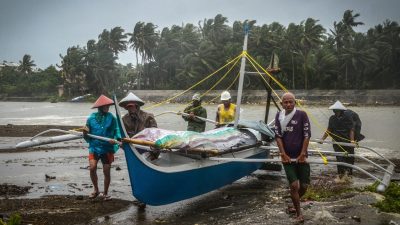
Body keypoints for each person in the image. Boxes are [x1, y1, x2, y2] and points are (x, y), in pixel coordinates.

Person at [274, 92, 311, 223]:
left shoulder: (302, 115)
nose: (288, 104)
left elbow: (307, 135)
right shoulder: (279, 116)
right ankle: (299, 213)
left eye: (291, 101)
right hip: (287, 158)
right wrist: (283, 154)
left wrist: (302, 154)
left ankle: (293, 203)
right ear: (281, 104)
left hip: (302, 157)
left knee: (304, 186)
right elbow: (278, 136)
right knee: (294, 186)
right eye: (286, 102)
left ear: (295, 103)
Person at [83, 94, 121, 201]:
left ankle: (105, 193)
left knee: (106, 170)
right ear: (99, 107)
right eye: (105, 106)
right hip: (94, 147)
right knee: (92, 168)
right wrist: (85, 132)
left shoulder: (112, 118)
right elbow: (86, 133)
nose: (107, 107)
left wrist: (116, 139)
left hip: (107, 148)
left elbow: (117, 130)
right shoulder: (91, 118)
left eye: (108, 105)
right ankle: (96, 190)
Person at [320, 100, 356, 177]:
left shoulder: (348, 117)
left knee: (350, 160)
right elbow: (329, 130)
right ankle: (340, 177)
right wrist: (322, 139)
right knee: (340, 160)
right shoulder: (332, 118)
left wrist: (352, 141)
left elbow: (351, 130)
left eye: (336, 110)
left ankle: (349, 177)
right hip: (337, 143)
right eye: (334, 110)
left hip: (347, 142)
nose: (335, 111)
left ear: (341, 110)